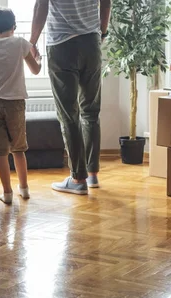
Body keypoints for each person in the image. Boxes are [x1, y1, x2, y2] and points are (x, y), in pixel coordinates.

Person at [29, 0, 111, 195]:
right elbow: (106, 3)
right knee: (91, 111)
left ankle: (78, 178)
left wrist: (32, 42)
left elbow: (41, 5)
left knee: (69, 114)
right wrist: (102, 32)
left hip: (62, 45)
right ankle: (92, 174)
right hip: (91, 42)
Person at [0, 8, 42, 205]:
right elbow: (36, 70)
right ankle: (25, 189)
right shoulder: (20, 44)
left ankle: (7, 193)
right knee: (18, 149)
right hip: (15, 104)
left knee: (0, 152)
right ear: (13, 27)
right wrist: (37, 59)